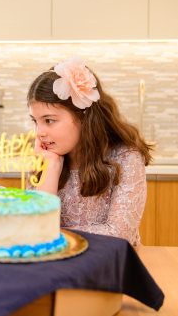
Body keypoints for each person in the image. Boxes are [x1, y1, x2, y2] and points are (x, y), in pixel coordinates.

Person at [27, 57, 152, 246]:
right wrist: (51, 168)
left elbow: (120, 235)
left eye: (49, 120)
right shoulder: (45, 158)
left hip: (111, 268)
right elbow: (33, 232)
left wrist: (51, 233)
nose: (40, 132)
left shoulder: (126, 158)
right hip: (58, 268)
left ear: (83, 117)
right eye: (35, 121)